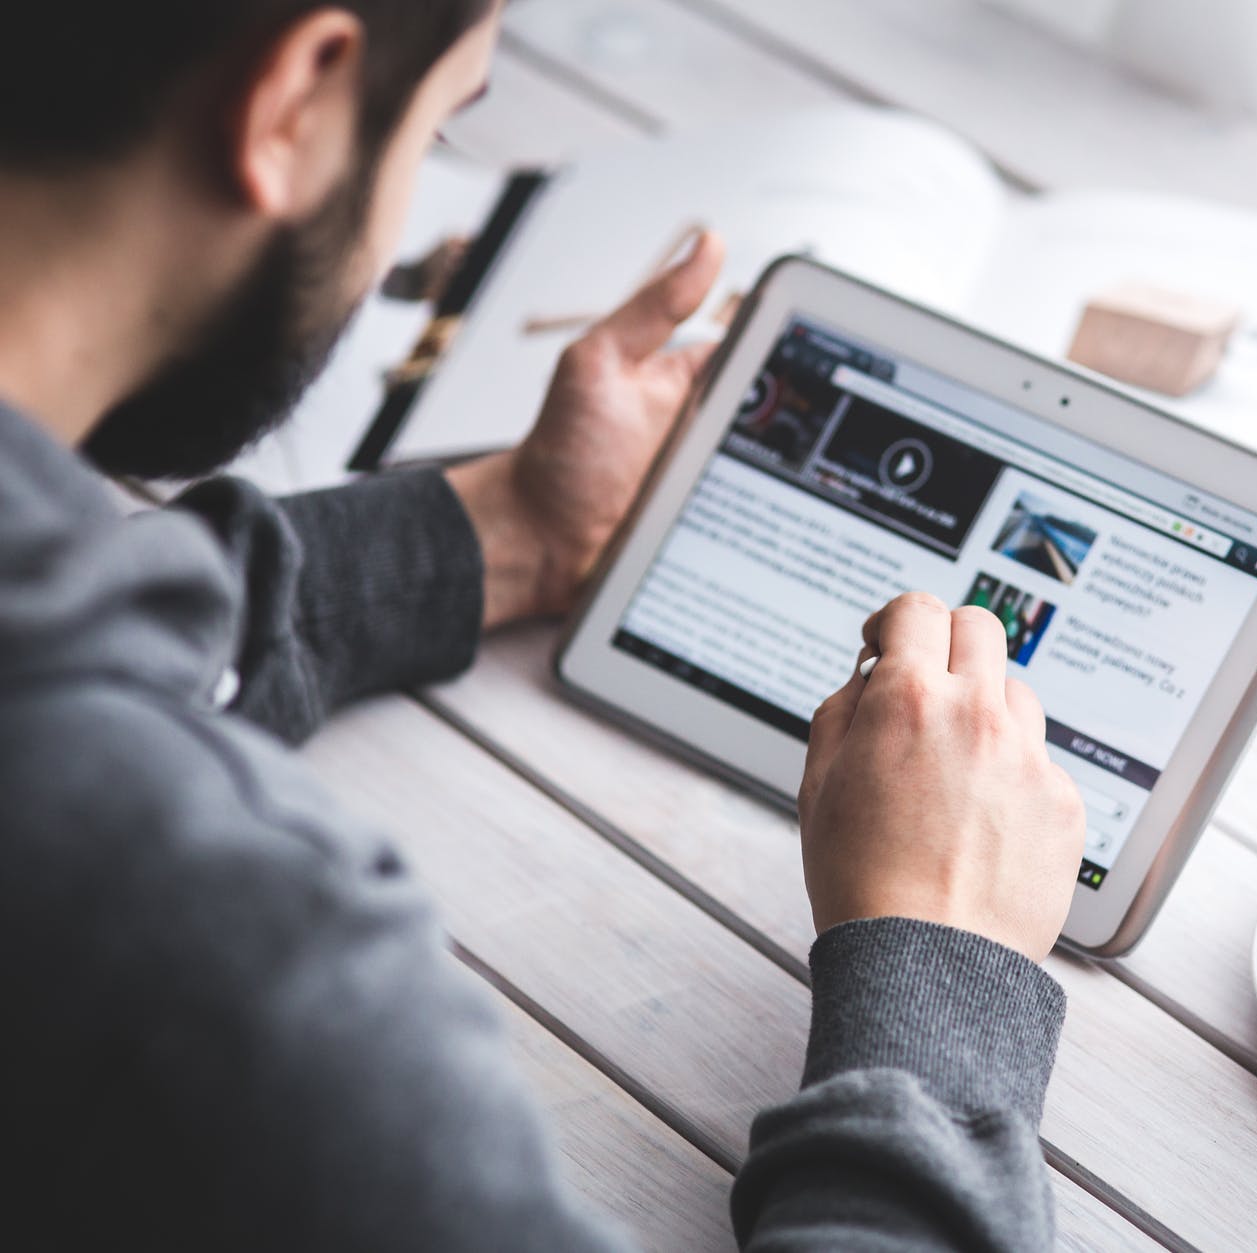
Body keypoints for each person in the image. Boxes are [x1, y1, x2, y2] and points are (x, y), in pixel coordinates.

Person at [0, 3, 1088, 1249]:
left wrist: (505, 528)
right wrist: (937, 962)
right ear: (298, 98)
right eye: (438, 126)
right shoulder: (224, 958)